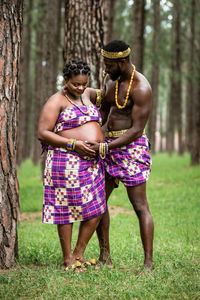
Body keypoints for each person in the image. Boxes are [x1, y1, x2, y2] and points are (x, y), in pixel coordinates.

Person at [89, 40, 154, 271]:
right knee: (99, 203)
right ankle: (105, 256)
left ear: (122, 62)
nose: (105, 68)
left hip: (131, 148)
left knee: (139, 206)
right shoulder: (111, 80)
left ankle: (148, 264)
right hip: (108, 145)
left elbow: (137, 129)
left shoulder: (141, 87)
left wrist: (108, 146)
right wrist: (90, 127)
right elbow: (104, 111)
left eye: (108, 64)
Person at [37, 60, 106, 272]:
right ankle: (68, 259)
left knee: (96, 208)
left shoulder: (88, 95)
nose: (80, 88)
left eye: (84, 83)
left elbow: (112, 94)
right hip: (64, 161)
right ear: (66, 80)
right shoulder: (56, 100)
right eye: (76, 84)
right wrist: (73, 144)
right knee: (66, 210)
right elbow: (43, 132)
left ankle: (79, 254)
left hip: (91, 163)